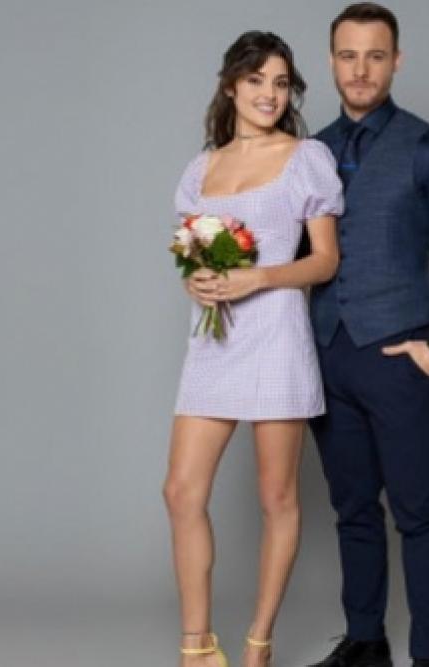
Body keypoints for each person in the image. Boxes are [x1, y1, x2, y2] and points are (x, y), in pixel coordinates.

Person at [303, 4, 429, 667]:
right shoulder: (310, 152)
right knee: (353, 509)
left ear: (397, 61)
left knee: (419, 510)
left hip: (400, 356)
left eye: (375, 55)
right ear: (331, 62)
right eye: (348, 55)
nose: (361, 70)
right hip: (327, 355)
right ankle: (366, 642)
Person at [164, 30, 345, 667]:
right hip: (214, 343)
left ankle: (258, 643)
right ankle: (197, 647)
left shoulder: (307, 158)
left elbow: (325, 261)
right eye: (256, 80)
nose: (270, 93)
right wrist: (197, 282)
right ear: (230, 86)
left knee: (278, 497)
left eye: (281, 82)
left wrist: (258, 277)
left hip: (275, 338)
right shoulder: (201, 168)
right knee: (181, 492)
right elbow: (192, 259)